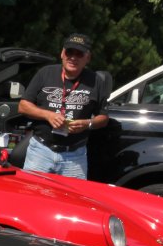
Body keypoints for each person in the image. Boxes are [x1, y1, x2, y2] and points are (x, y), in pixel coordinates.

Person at [18, 32, 109, 179]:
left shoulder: (96, 81)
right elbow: (23, 106)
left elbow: (104, 118)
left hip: (75, 156)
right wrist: (48, 115)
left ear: (88, 58)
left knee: (72, 194)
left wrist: (88, 123)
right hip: (41, 151)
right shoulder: (45, 73)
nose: (73, 57)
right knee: (33, 191)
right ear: (62, 53)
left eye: (79, 53)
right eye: (69, 52)